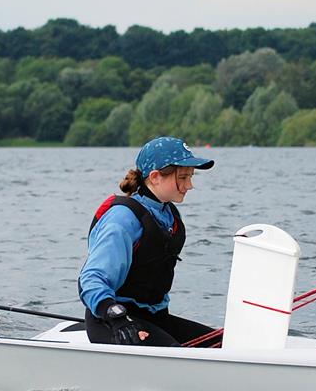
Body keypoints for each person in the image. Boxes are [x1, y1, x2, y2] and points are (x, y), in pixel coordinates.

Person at [78, 136, 218, 347]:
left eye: (191, 177)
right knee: (178, 356)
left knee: (222, 343)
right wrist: (116, 316)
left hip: (154, 319)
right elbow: (90, 279)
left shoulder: (168, 214)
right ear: (155, 177)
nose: (189, 185)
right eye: (183, 177)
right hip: (113, 322)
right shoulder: (122, 220)